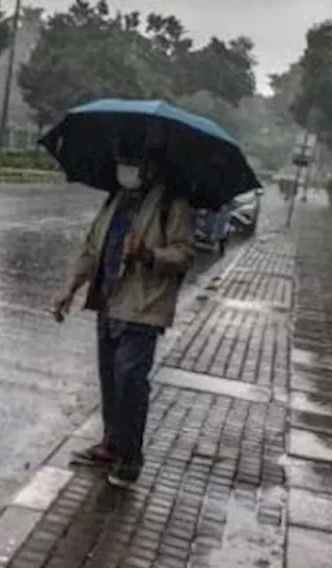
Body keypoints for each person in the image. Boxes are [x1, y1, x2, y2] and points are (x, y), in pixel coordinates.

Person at [51, 144, 196, 487]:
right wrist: (69, 288)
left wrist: (149, 254)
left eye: (132, 162)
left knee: (130, 381)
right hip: (108, 301)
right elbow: (91, 249)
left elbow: (186, 254)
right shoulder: (115, 200)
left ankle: (130, 456)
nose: (125, 169)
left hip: (144, 306)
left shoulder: (170, 205)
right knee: (111, 379)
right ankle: (111, 445)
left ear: (150, 166)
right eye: (122, 162)